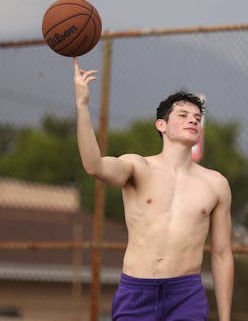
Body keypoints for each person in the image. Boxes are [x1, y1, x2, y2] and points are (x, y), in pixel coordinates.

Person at [73, 57, 234, 321]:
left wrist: (225, 317)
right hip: (137, 291)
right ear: (161, 125)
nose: (192, 121)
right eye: (183, 115)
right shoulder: (137, 167)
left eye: (197, 118)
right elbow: (93, 166)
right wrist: (82, 106)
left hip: (186, 295)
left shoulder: (216, 184)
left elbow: (221, 253)